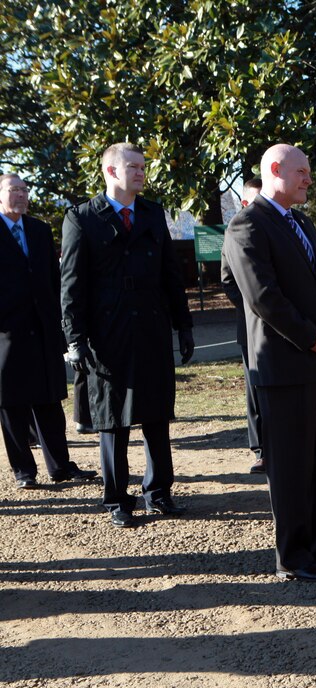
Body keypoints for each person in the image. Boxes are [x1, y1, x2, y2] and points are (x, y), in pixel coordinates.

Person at [222, 143, 316, 583]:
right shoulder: (247, 225)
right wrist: (310, 338)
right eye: (302, 172)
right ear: (275, 170)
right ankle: (294, 555)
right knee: (291, 466)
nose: (309, 179)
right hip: (282, 368)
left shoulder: (301, 222)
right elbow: (264, 299)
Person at [60, 143, 195, 528]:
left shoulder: (152, 214)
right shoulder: (82, 218)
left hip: (151, 327)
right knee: (112, 417)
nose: (141, 172)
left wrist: (183, 325)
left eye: (143, 166)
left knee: (155, 413)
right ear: (111, 171)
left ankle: (158, 492)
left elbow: (171, 274)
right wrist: (75, 338)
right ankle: (117, 497)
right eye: (133, 166)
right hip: (108, 331)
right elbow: (71, 286)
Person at [0, 173, 97, 488]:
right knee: (11, 404)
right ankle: (24, 472)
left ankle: (60, 466)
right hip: (6, 334)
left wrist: (64, 325)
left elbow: (56, 281)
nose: (21, 195)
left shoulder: (40, 230)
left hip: (43, 330)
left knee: (49, 401)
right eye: (14, 189)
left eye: (25, 190)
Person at [221, 177, 265, 474]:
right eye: (252, 202)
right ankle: (262, 449)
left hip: (289, 328)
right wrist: (254, 311)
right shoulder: (235, 229)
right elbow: (228, 280)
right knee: (256, 391)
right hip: (251, 328)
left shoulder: (286, 226)